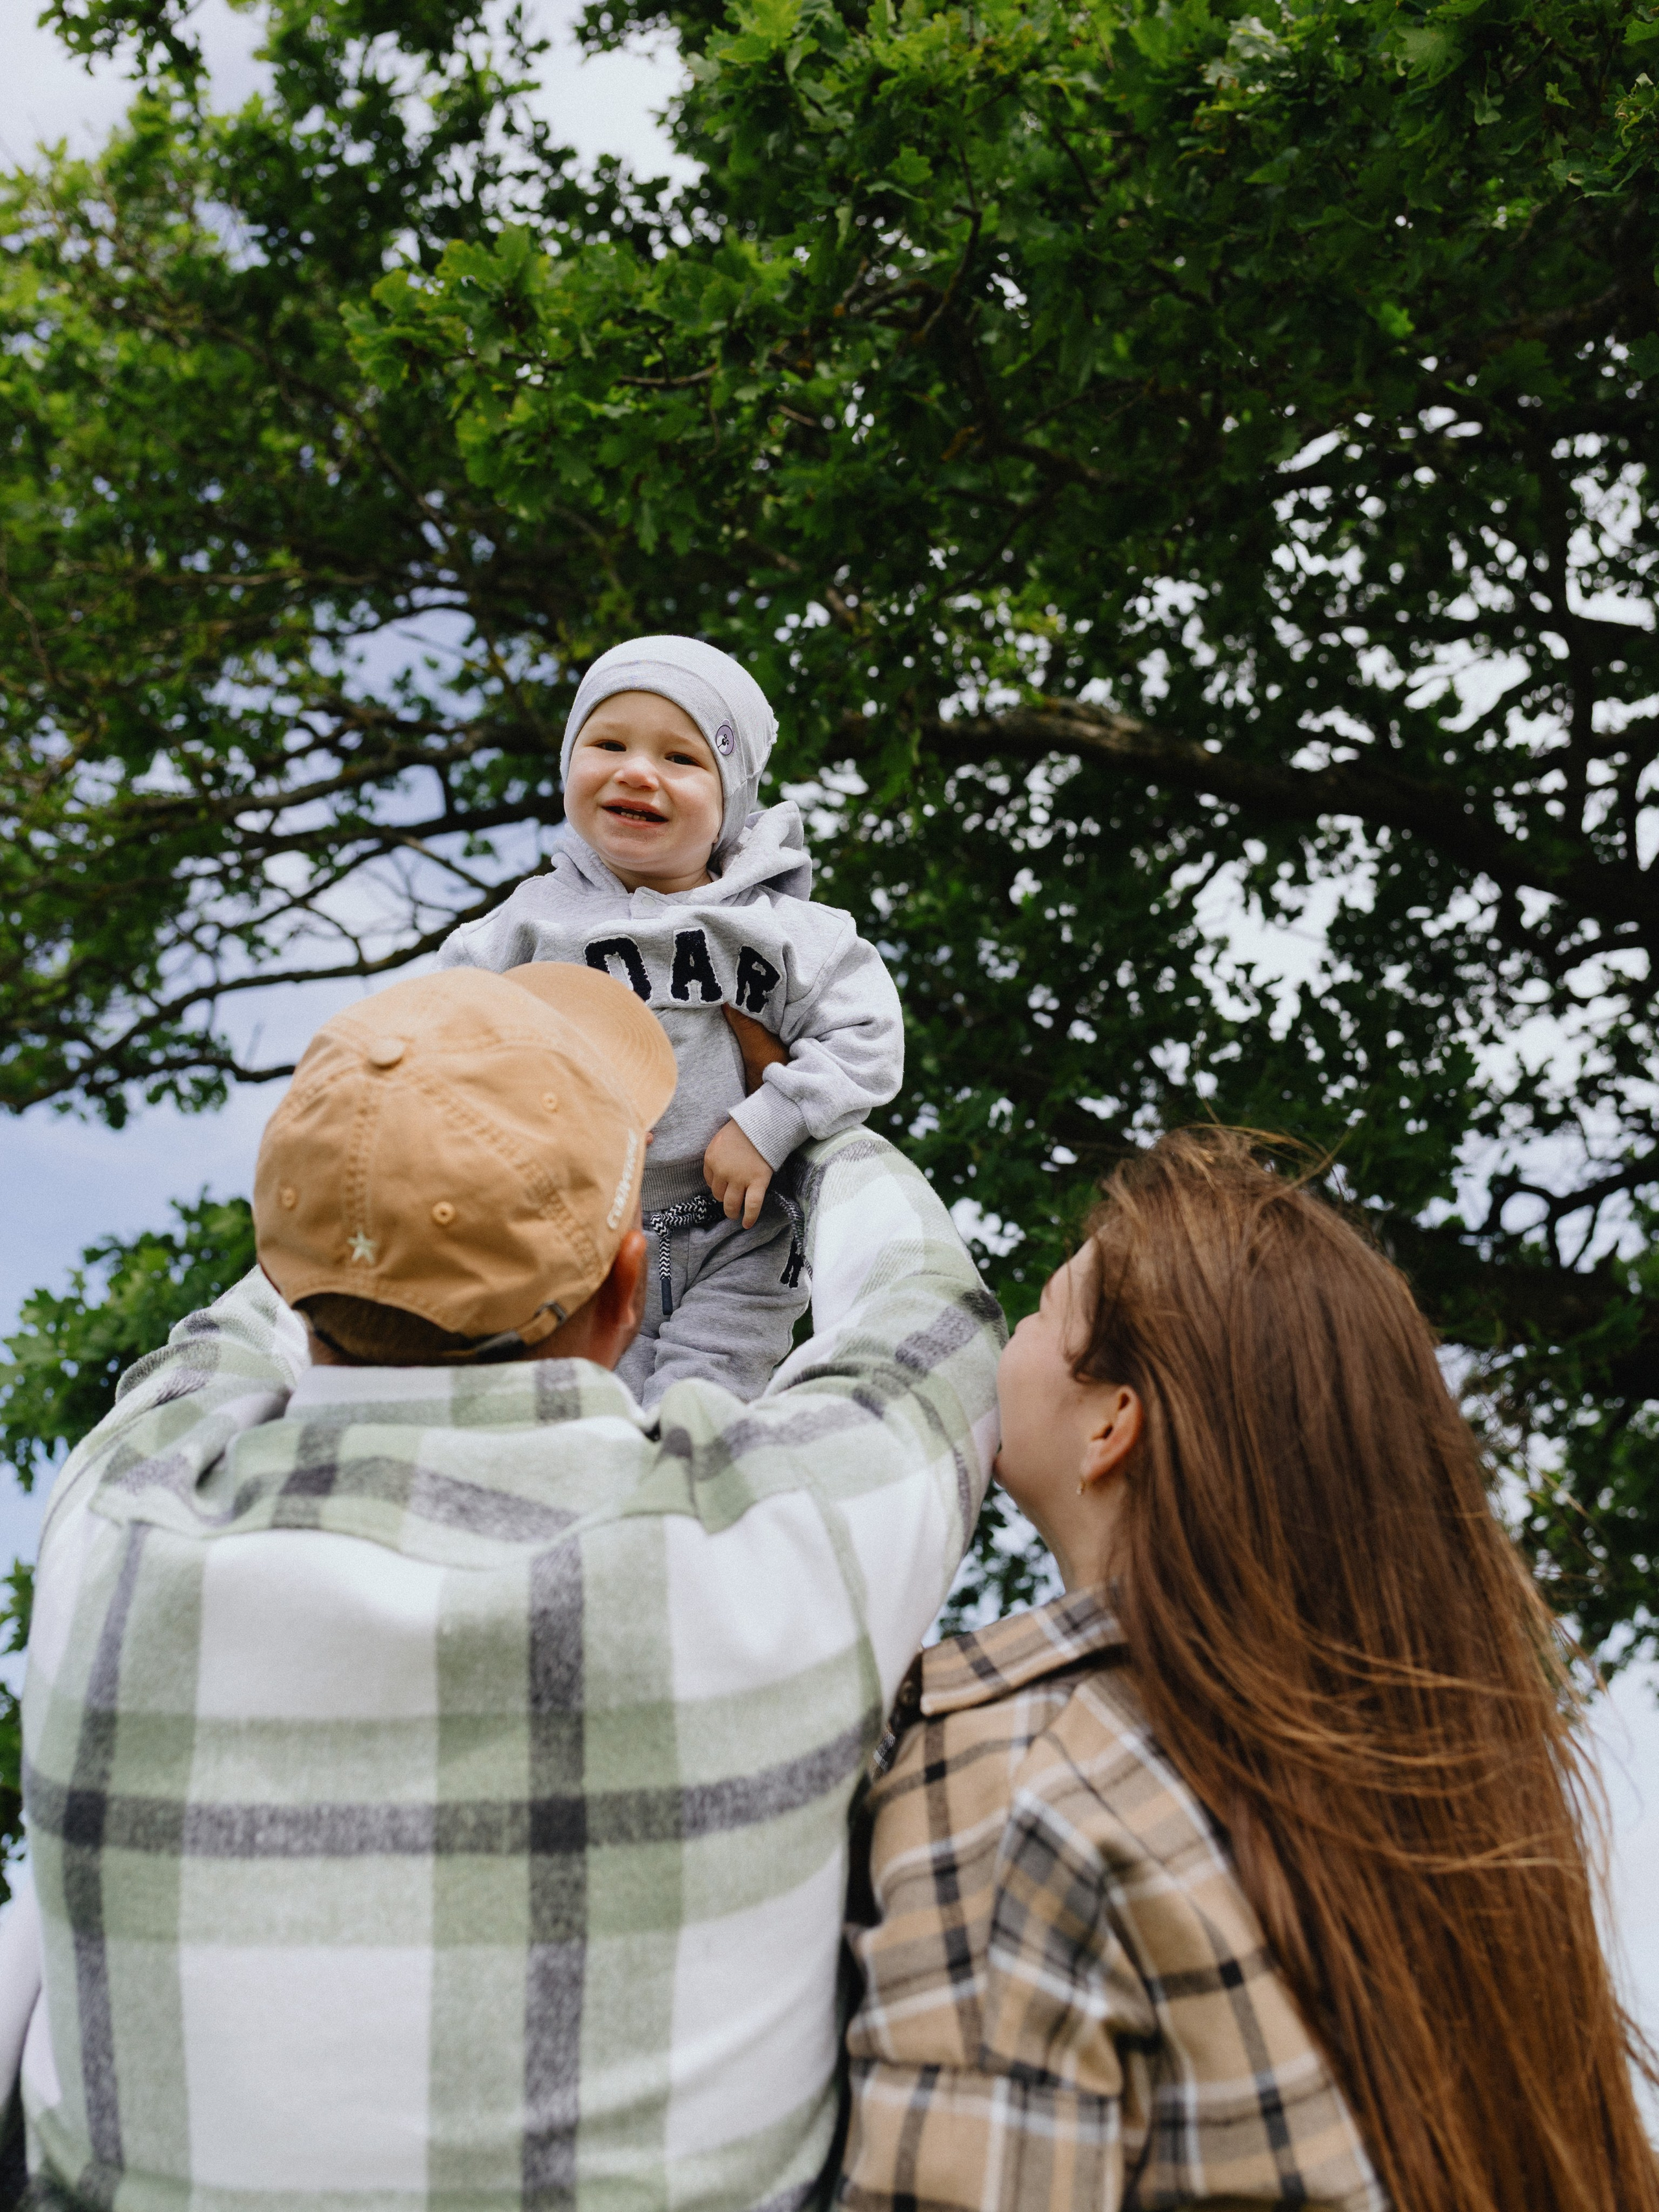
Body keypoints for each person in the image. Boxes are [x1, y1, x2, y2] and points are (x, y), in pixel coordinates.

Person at [18, 963, 1001, 2209]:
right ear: (628, 1288)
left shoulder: (116, 1516)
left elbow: (225, 1343)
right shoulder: (765, 1543)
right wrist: (799, 1122)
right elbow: (936, 1325)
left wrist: (372, 1175)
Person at [840, 1128, 1659, 2212]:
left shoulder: (1020, 1778)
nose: (1005, 1334)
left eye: (1040, 1306)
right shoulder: (1407, 1820)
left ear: (1113, 1424)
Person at [438, 634, 904, 1408]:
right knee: (584, 1411)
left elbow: (867, 1035)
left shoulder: (782, 927)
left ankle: (692, 1491)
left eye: (681, 759)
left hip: (740, 1232)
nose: (636, 770)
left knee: (703, 1408)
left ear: (730, 801)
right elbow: (436, 1042)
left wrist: (772, 1118)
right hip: (576, 1235)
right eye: (608, 742)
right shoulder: (522, 925)